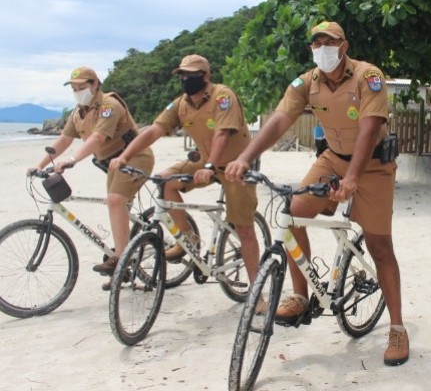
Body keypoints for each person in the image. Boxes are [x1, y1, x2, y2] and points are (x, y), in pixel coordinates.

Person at [224, 21, 409, 366]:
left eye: (329, 42)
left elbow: (370, 129)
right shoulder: (306, 83)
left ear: (344, 46)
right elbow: (280, 119)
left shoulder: (368, 76)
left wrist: (353, 178)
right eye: (316, 42)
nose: (321, 47)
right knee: (292, 213)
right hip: (331, 159)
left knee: (380, 246)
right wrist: (245, 157)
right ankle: (300, 295)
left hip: (372, 165)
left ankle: (397, 327)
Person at [108, 54, 261, 284]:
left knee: (244, 229)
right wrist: (124, 156)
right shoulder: (181, 104)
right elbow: (154, 130)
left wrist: (210, 166)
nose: (186, 79)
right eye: (183, 75)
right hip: (204, 162)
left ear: (206, 75)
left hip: (236, 166)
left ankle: (256, 291)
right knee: (166, 181)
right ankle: (187, 240)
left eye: (192, 75)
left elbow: (222, 133)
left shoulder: (222, 96)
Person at [29, 66, 154, 290]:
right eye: (74, 88)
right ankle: (123, 262)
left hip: (135, 158)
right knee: (117, 206)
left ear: (95, 84)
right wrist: (39, 165)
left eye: (82, 87)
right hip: (112, 165)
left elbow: (97, 138)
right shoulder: (78, 113)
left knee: (115, 201)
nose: (78, 91)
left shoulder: (109, 105)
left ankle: (120, 260)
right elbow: (63, 140)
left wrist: (73, 160)